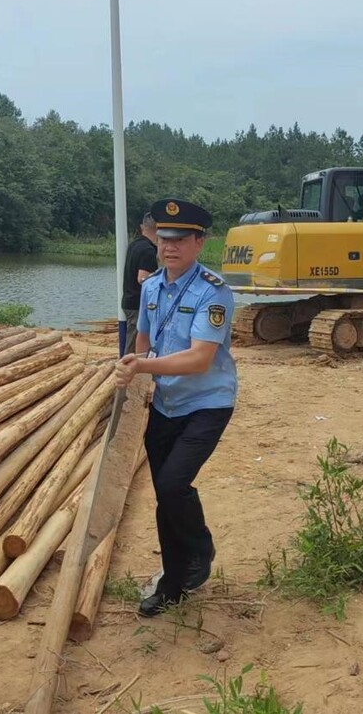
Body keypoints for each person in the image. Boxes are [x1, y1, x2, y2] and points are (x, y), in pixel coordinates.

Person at [115, 198, 237, 617]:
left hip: (207, 403)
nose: (170, 247)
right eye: (165, 238)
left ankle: (198, 552)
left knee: (171, 485)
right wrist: (136, 370)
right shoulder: (151, 288)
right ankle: (174, 580)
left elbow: (201, 357)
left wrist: (143, 365)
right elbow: (143, 341)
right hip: (164, 404)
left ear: (199, 242)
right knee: (167, 495)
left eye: (181, 239)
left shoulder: (214, 292)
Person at [121, 213, 159, 355]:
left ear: (142, 227)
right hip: (138, 303)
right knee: (134, 344)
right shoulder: (148, 251)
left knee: (134, 339)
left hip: (129, 299)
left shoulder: (134, 245)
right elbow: (142, 278)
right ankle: (129, 370)